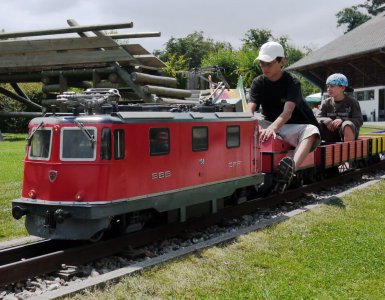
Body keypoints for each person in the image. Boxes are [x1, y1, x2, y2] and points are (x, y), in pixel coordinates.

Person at [247, 41, 321, 193]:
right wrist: (256, 125)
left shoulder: (292, 82)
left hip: (293, 126)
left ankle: (290, 170)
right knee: (243, 125)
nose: (264, 67)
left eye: (269, 63)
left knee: (312, 131)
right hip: (269, 123)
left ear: (282, 61)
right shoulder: (257, 82)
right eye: (262, 63)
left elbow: (287, 113)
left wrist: (272, 128)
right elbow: (249, 111)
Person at [316, 73, 363, 142]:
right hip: (329, 134)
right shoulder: (325, 102)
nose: (328, 89)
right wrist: (326, 120)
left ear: (343, 88)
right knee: (314, 125)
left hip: (346, 134)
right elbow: (317, 118)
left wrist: (343, 120)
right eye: (328, 86)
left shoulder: (352, 102)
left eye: (332, 86)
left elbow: (359, 120)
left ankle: (348, 150)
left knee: (347, 124)